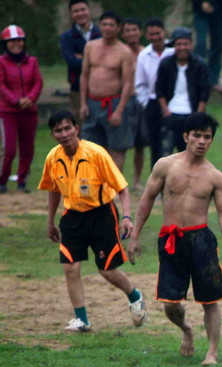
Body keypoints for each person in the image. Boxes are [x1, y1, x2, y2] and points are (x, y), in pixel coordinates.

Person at [127, 112, 222, 365]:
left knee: (210, 301)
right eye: (197, 135)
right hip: (171, 239)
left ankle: (212, 352)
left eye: (207, 137)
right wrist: (135, 236)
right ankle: (186, 328)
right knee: (170, 303)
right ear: (186, 136)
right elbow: (146, 199)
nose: (202, 141)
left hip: (201, 241)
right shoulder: (165, 166)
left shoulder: (215, 176)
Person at [38, 110, 147, 332]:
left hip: (102, 215)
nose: (64, 133)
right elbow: (52, 189)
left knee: (107, 271)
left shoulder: (96, 154)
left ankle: (135, 296)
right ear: (53, 134)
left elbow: (122, 188)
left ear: (77, 129)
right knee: (70, 267)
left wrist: (126, 217)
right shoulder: (53, 158)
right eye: (58, 130)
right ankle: (81, 320)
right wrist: (50, 221)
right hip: (72, 217)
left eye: (68, 128)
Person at [79, 11, 136, 170]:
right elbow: (84, 76)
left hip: (114, 103)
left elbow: (127, 84)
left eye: (111, 25)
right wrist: (83, 103)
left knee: (117, 148)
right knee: (90, 147)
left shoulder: (124, 52)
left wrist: (119, 110)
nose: (107, 28)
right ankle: (95, 187)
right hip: (92, 102)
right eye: (104, 24)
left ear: (118, 28)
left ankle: (115, 190)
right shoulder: (90, 46)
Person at [0, 25, 42, 194]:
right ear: (5, 44)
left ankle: (22, 180)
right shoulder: (1, 62)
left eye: (18, 41)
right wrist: (15, 101)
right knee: (9, 148)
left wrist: (30, 99)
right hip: (7, 111)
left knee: (27, 148)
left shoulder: (32, 61)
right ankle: (2, 180)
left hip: (29, 111)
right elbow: (1, 85)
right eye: (11, 42)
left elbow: (38, 82)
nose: (16, 44)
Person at [155, 28, 210, 155]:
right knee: (166, 152)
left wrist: (199, 114)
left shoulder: (200, 65)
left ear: (190, 45)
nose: (182, 47)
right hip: (171, 112)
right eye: (179, 44)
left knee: (190, 154)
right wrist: (165, 111)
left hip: (191, 113)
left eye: (185, 44)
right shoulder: (166, 64)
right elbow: (159, 89)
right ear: (174, 46)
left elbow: (204, 92)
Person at [134, 18, 173, 168]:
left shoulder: (174, 51)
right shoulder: (144, 55)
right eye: (151, 34)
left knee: (176, 142)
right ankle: (156, 183)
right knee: (155, 144)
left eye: (158, 33)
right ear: (147, 35)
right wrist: (146, 103)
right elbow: (140, 84)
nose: (155, 37)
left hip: (174, 102)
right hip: (153, 102)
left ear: (164, 32)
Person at [121, 18, 148, 192]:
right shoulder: (119, 52)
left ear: (140, 32)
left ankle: (137, 180)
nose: (131, 33)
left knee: (140, 144)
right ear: (123, 34)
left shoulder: (145, 53)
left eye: (134, 29)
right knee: (120, 144)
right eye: (128, 30)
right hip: (123, 101)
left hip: (142, 101)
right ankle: (119, 181)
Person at [60, 0, 100, 116]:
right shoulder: (66, 37)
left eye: (83, 9)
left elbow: (107, 60)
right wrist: (95, 59)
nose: (80, 13)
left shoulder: (101, 33)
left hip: (101, 86)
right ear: (71, 14)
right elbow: (72, 62)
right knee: (81, 125)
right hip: (77, 87)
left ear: (89, 11)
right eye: (76, 11)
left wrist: (82, 57)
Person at [192, 0, 222, 92]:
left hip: (219, 10)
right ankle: (196, 77)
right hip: (200, 11)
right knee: (201, 43)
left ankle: (213, 80)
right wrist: (201, 3)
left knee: (218, 45)